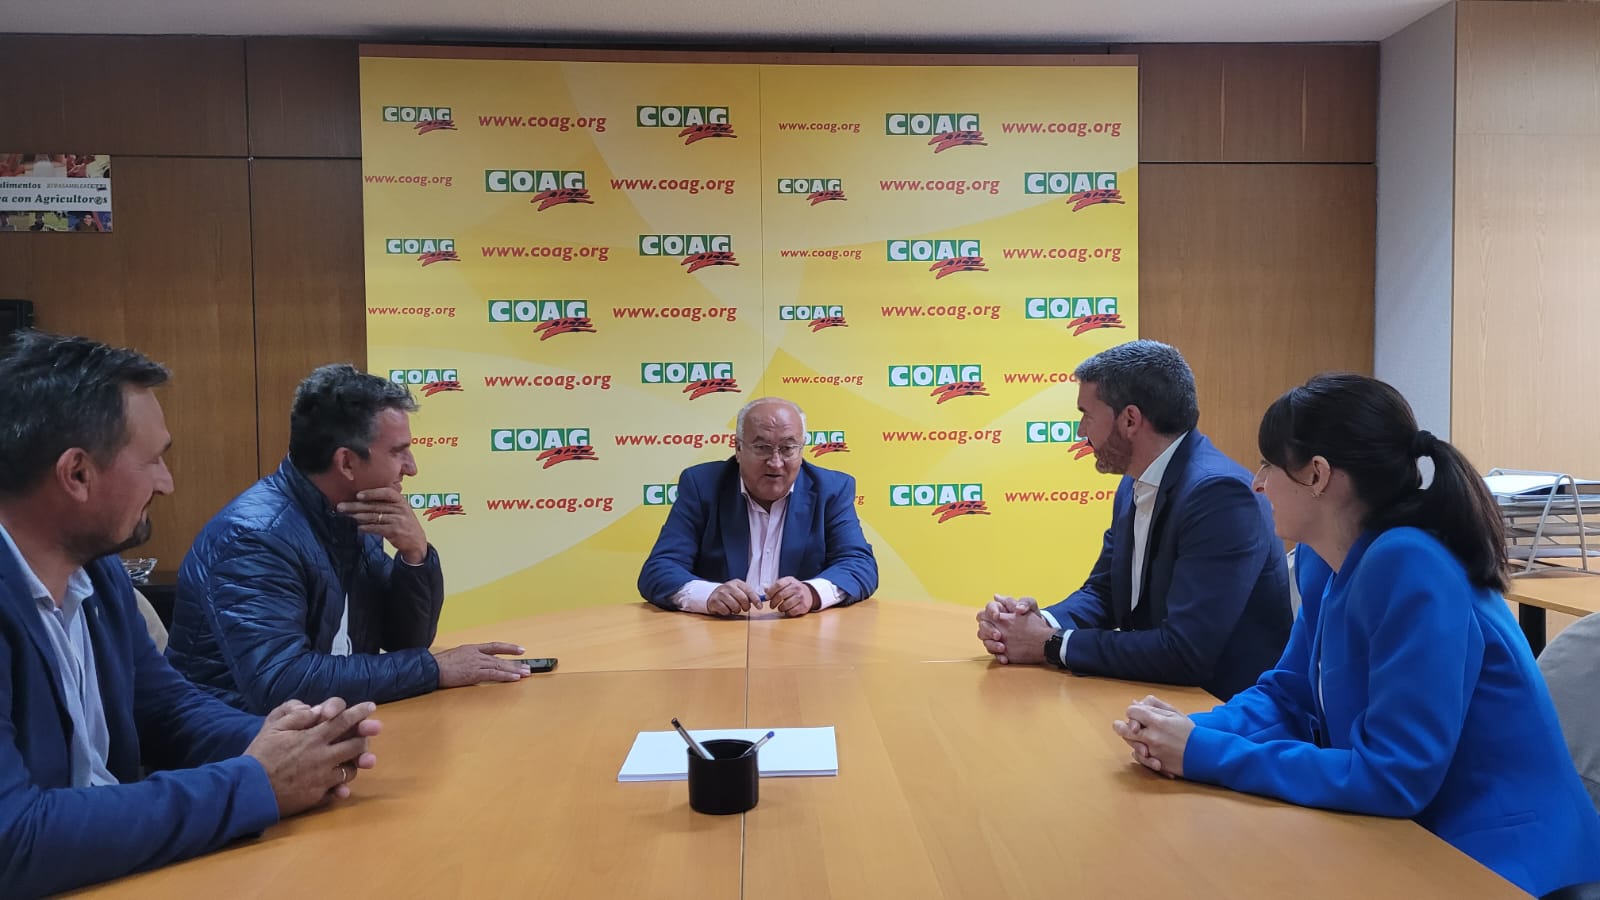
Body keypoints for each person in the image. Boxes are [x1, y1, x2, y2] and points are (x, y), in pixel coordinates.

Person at [1113, 373, 1600, 897]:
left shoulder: (1411, 564)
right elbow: (1289, 695)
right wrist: (1185, 731)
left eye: (1269, 465)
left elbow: (1394, 777)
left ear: (1318, 475)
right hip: (1413, 835)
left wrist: (1204, 752)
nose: (1257, 483)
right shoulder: (1326, 562)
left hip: (1501, 861)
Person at [0, 331, 382, 897]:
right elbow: (14, 842)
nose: (167, 482)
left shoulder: (95, 572)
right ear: (76, 474)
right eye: (153, 460)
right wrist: (254, 784)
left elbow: (167, 712)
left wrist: (302, 746)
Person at [166, 364, 528, 715]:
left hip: (314, 733)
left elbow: (405, 640)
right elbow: (281, 683)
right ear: (347, 464)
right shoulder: (253, 538)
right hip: (229, 750)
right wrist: (432, 669)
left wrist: (415, 555)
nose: (412, 467)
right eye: (398, 451)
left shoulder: (351, 512)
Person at [976, 340, 1291, 699]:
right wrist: (1030, 625)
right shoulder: (1135, 480)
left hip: (1223, 717)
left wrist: (1051, 644)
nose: (1081, 432)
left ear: (1129, 420)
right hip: (1158, 703)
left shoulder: (1219, 495)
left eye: (1087, 415)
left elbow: (1185, 653)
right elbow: (1105, 592)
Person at [639, 396, 877, 617]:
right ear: (738, 448)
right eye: (762, 448)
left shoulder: (831, 489)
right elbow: (659, 569)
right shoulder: (703, 485)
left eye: (788, 448)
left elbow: (859, 565)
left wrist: (811, 593)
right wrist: (708, 595)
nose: (775, 462)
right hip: (718, 633)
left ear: (802, 448)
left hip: (800, 633)